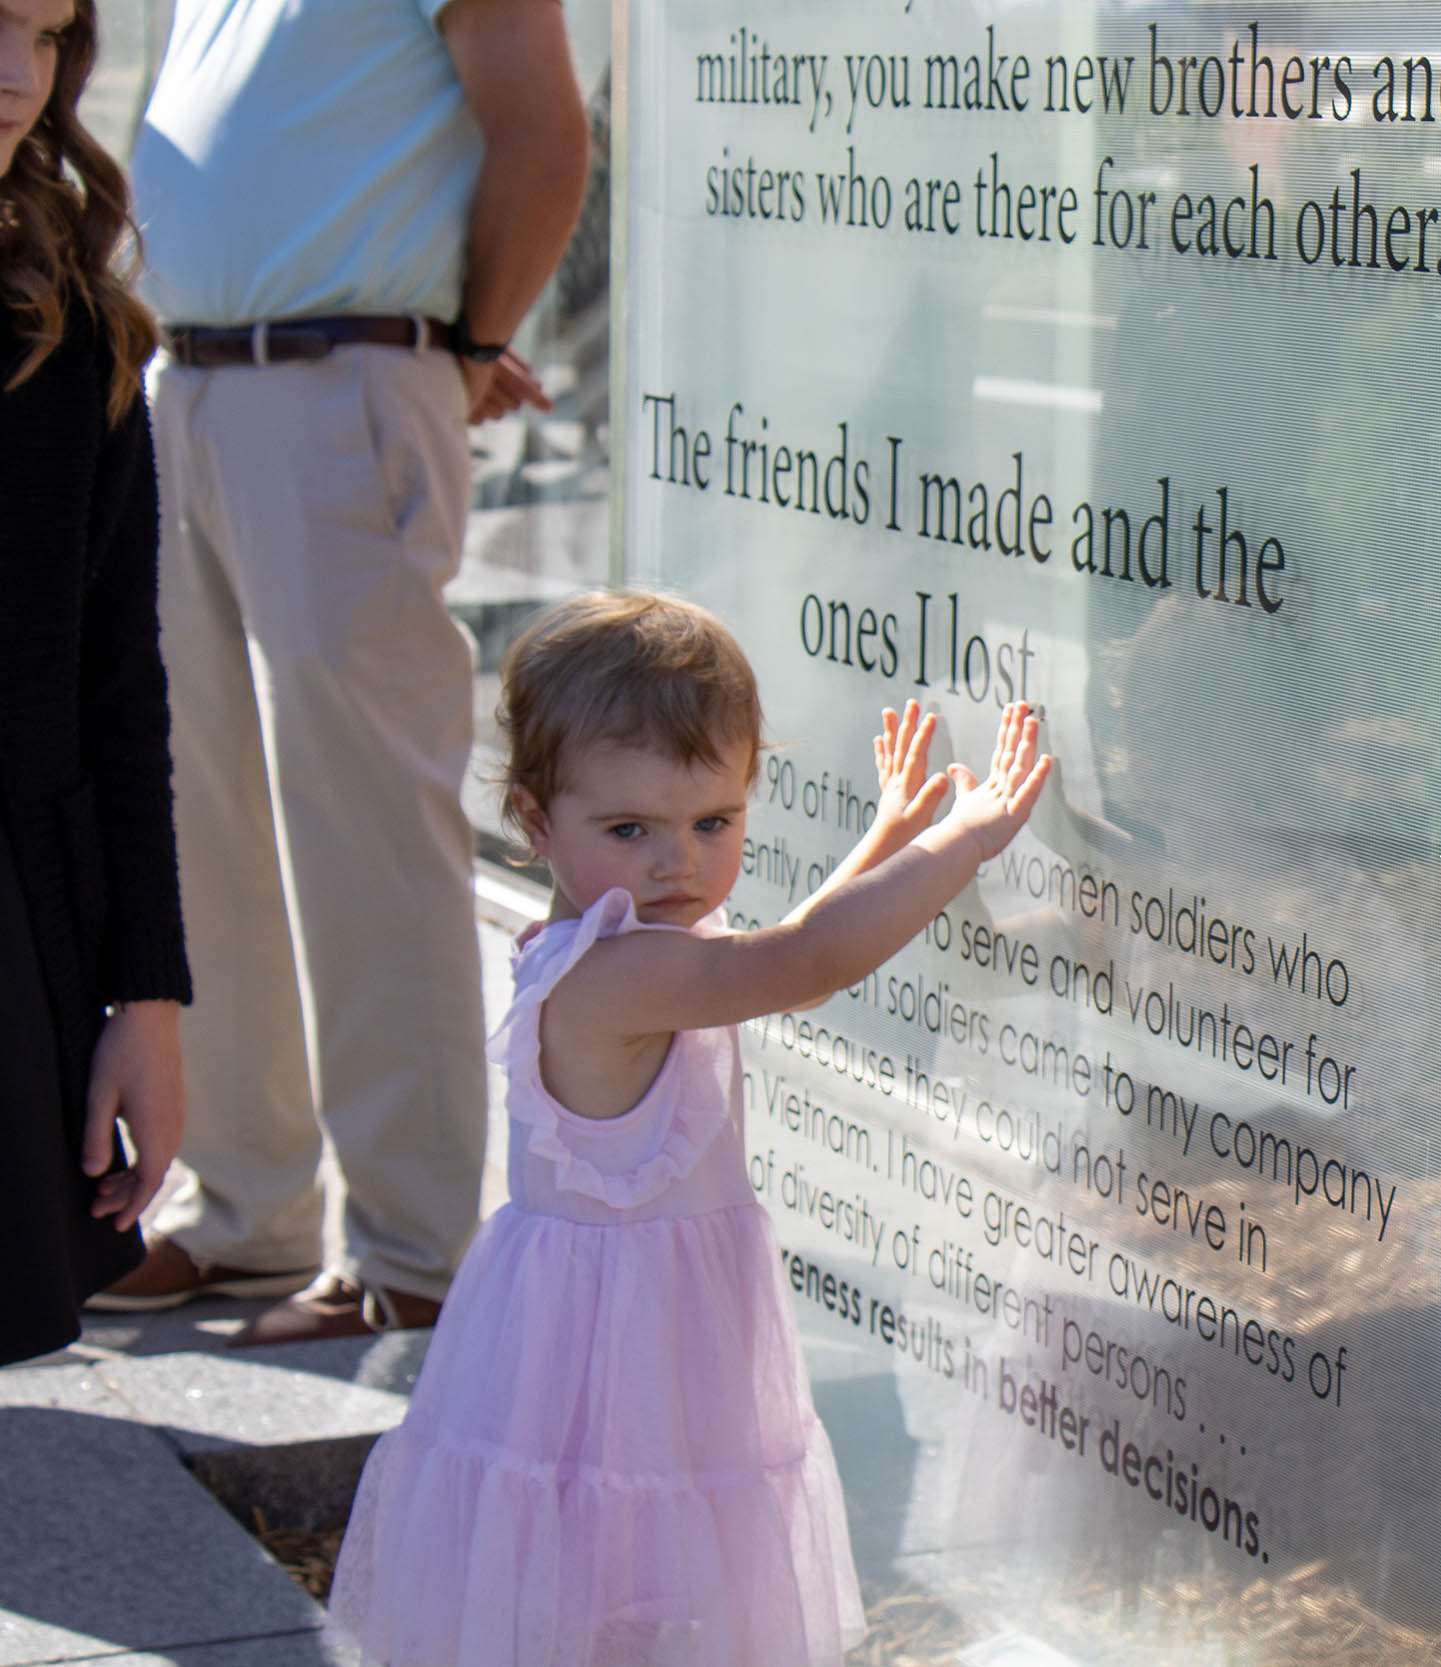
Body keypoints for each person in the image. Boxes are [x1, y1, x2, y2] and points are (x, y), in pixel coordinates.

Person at [327, 591, 1052, 1665]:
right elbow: (797, 963)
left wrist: (887, 835)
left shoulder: (608, 935)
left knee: (620, 1579)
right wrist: (960, 842)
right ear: (534, 821)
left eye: (714, 821)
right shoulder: (623, 970)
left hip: (617, 1322)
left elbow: (785, 948)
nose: (679, 862)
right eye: (631, 829)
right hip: (621, 1345)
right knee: (621, 1566)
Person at [96, 0, 593, 1342]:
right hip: (180, 389)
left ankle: (413, 1244)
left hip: (338, 379)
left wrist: (470, 342)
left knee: (367, 824)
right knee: (198, 819)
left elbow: (547, 142)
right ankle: (243, 1207)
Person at [0, 0, 192, 1367]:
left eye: (51, 32)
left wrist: (147, 994)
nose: (22, 74)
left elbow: (121, 684)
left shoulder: (73, 326)